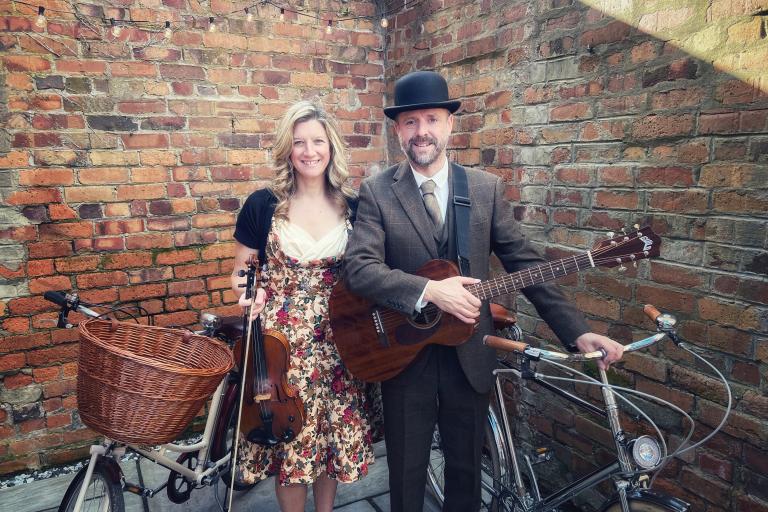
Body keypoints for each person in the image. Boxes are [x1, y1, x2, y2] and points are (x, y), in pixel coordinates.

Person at [343, 70, 625, 512]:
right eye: (412, 122)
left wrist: (577, 333)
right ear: (398, 130)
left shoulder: (485, 188)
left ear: (450, 124)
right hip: (403, 354)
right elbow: (359, 269)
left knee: (467, 474)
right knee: (406, 474)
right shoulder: (377, 192)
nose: (423, 132)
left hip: (470, 353)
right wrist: (431, 292)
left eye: (432, 119)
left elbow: (525, 264)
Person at [230, 100, 375, 512]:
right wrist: (249, 293)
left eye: (317, 141)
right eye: (299, 143)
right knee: (290, 445)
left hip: (339, 342)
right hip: (282, 348)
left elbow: (370, 272)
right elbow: (241, 271)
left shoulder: (355, 207)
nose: (309, 151)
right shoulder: (263, 204)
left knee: (330, 440)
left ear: (331, 146)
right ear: (287, 150)